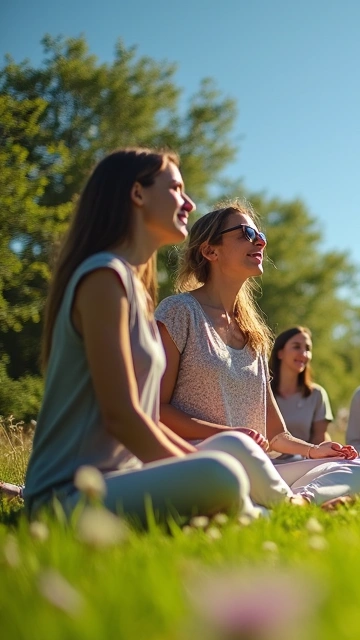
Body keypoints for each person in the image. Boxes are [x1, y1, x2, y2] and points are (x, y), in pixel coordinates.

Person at [22, 148, 262, 523]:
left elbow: (143, 422)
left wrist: (197, 466)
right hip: (69, 493)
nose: (189, 202)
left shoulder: (131, 284)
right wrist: (202, 468)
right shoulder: (104, 277)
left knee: (225, 459)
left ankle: (248, 510)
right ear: (138, 194)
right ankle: (251, 512)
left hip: (122, 479)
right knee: (222, 471)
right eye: (176, 189)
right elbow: (122, 417)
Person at [157, 201, 360, 505]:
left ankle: (294, 504)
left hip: (258, 467)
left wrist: (315, 451)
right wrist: (231, 433)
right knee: (237, 446)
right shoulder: (178, 312)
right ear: (210, 251)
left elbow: (276, 436)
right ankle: (284, 504)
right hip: (204, 462)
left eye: (259, 233)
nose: (261, 240)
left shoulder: (253, 333)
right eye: (246, 233)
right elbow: (157, 409)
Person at [270, 326, 332, 445]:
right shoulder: (262, 392)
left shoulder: (316, 394)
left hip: (304, 460)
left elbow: (319, 438)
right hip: (265, 461)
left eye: (308, 349)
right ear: (280, 353)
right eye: (296, 347)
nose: (304, 354)